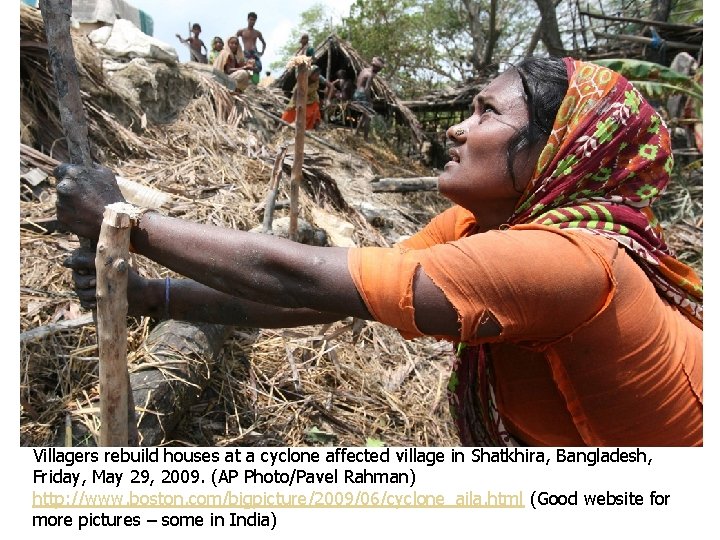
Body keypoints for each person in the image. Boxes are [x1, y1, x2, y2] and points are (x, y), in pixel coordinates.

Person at [55, 57, 702, 447]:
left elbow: (297, 274)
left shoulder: (566, 263)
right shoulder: (478, 225)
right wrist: (150, 295)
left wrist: (129, 221)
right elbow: (326, 298)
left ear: (555, 147)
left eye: (484, 113)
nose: (457, 125)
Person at [281, 65, 330, 130]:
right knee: (290, 113)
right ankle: (284, 126)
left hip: (313, 98)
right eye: (316, 75)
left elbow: (331, 86)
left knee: (314, 113)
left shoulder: (319, 78)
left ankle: (311, 129)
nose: (317, 77)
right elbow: (296, 91)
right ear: (310, 74)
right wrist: (296, 105)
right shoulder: (303, 79)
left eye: (318, 74)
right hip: (300, 97)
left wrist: (328, 100)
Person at [352, 56, 384, 139]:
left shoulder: (364, 70)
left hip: (356, 94)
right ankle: (365, 137)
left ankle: (357, 132)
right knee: (369, 114)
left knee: (365, 113)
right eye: (379, 69)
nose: (379, 71)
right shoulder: (370, 75)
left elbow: (356, 82)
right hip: (361, 95)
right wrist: (369, 100)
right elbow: (367, 89)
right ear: (376, 68)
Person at [236, 12, 266, 85]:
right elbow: (233, 39)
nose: (252, 21)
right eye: (251, 19)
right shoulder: (242, 31)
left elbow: (264, 43)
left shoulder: (257, 33)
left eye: (254, 20)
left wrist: (261, 52)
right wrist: (237, 51)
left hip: (255, 52)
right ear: (248, 19)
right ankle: (246, 84)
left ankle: (255, 84)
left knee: (257, 68)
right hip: (246, 52)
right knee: (246, 68)